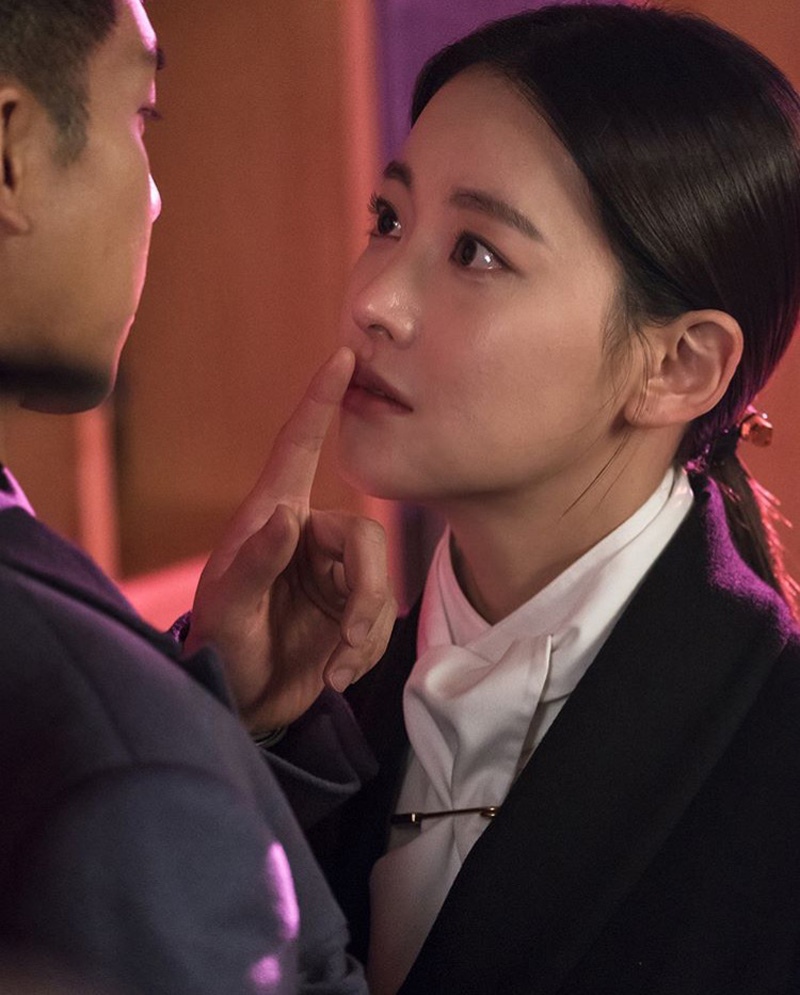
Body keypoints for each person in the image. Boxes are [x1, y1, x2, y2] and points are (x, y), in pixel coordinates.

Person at [270, 3, 800, 993]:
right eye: (387, 220)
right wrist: (244, 728)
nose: (373, 299)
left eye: (476, 251)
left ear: (680, 365)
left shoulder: (773, 754)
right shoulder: (305, 692)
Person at [0, 2, 396, 994]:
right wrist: (172, 739)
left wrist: (222, 719)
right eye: (142, 115)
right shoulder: (108, 747)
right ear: (9, 152)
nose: (154, 200)